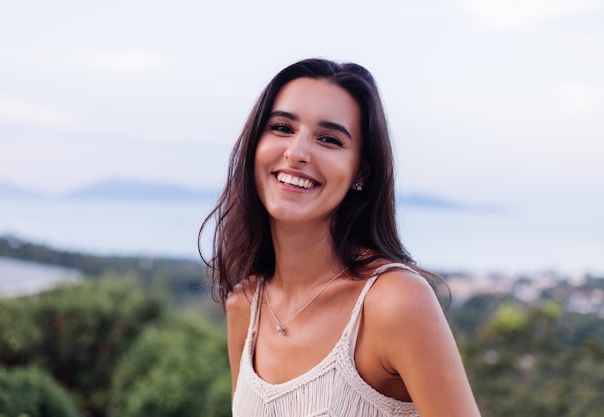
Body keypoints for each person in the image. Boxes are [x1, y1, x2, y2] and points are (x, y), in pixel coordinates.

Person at [200, 58, 480, 417]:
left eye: (329, 139)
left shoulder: (394, 303)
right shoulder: (245, 305)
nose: (297, 153)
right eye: (282, 127)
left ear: (360, 171)